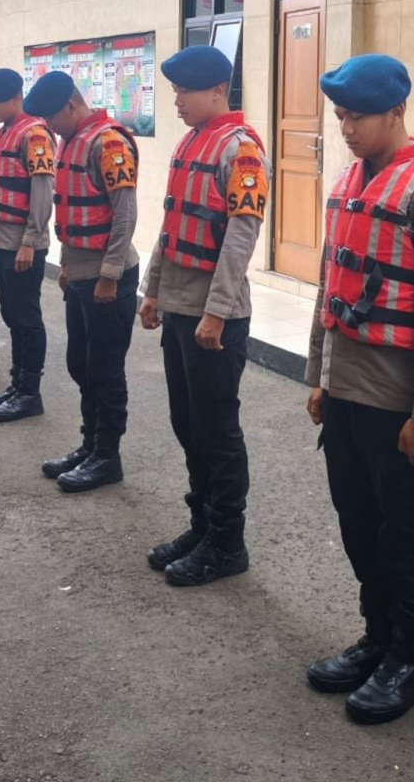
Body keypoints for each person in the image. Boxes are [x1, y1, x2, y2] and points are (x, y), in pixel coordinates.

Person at [302, 53, 414, 725]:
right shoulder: (349, 180)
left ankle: (411, 658)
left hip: (397, 404)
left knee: (405, 534)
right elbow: (329, 284)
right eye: (341, 116)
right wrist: (319, 376)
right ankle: (377, 637)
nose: (346, 129)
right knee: (358, 523)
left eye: (358, 117)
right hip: (346, 394)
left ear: (397, 111)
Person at [138, 46, 270, 587]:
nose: (176, 101)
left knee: (216, 431)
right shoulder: (191, 141)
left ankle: (227, 542)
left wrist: (215, 314)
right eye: (174, 91)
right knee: (186, 423)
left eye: (185, 91)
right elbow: (171, 226)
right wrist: (152, 290)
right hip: (178, 305)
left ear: (217, 90)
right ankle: (203, 526)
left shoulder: (241, 150)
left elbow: (240, 239)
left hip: (214, 315)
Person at [22, 70, 137, 493]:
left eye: (53, 118)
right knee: (81, 364)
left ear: (71, 106)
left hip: (109, 276)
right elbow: (70, 212)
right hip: (81, 273)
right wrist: (67, 264)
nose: (51, 128)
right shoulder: (72, 140)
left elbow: (125, 216)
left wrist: (110, 275)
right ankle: (89, 445)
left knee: (105, 370)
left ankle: (107, 456)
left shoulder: (109, 143)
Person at [0, 68, 56, 424]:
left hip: (23, 244)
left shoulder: (34, 134)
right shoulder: (5, 132)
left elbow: (42, 192)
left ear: (15, 98)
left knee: (26, 318)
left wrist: (30, 242)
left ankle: (30, 393)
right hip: (3, 241)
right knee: (12, 316)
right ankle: (17, 384)